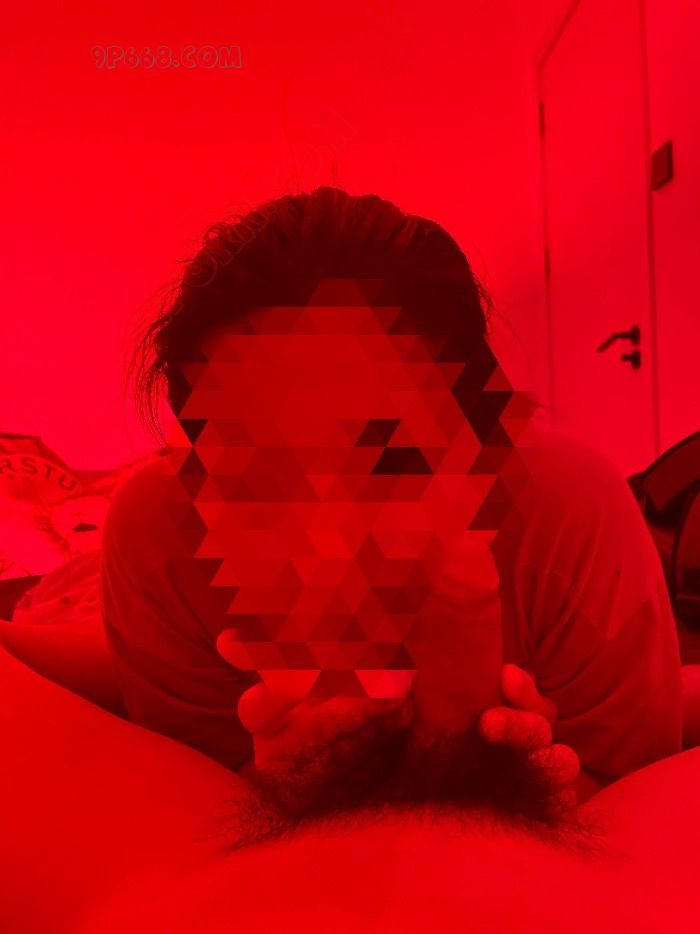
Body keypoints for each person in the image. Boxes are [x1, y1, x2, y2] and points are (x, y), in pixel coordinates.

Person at [101, 186, 682, 792]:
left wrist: (504, 777)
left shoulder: (569, 510)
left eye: (390, 458)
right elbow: (203, 791)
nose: (328, 535)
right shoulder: (160, 540)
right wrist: (293, 788)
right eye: (258, 474)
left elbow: (627, 790)